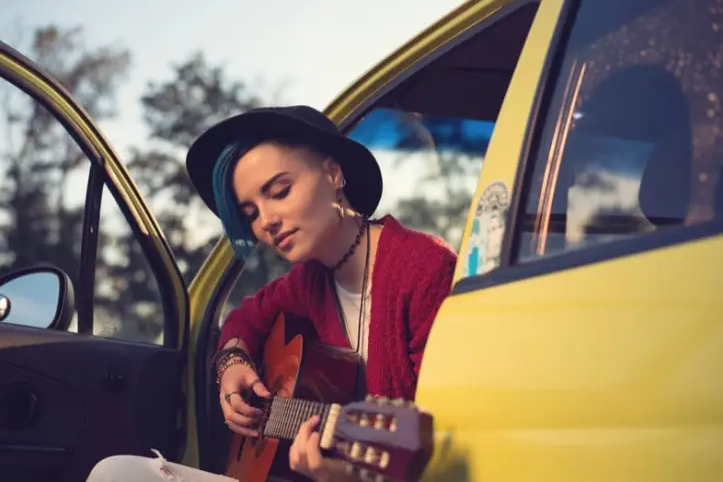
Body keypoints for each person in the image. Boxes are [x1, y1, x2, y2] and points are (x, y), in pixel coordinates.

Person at [85, 105, 457, 482]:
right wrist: (231, 364)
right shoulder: (308, 282)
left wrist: (343, 477)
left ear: (333, 172)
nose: (266, 222)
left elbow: (450, 444)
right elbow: (243, 318)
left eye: (280, 191)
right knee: (115, 471)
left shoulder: (426, 270)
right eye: (249, 213)